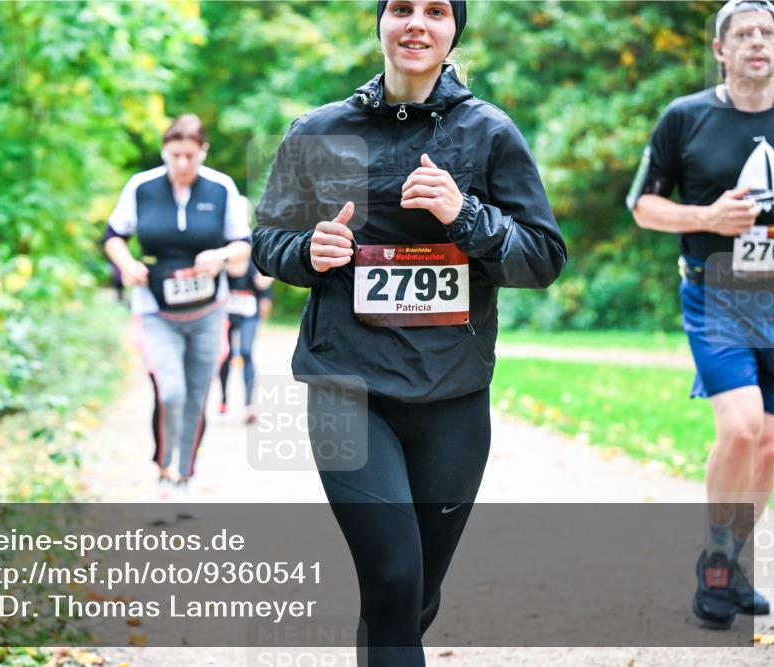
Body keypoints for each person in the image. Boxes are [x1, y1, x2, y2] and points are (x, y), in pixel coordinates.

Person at [252, 2, 565, 664]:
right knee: (393, 577)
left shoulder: (488, 133)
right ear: (381, 23)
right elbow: (268, 241)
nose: (416, 23)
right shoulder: (320, 130)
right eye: (400, 8)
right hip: (347, 387)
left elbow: (542, 257)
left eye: (435, 10)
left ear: (455, 29)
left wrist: (465, 215)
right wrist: (308, 250)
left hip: (452, 397)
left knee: (413, 595)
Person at [628, 0, 774, 630]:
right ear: (720, 50)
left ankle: (729, 562)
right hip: (718, 294)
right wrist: (708, 218)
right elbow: (643, 206)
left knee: (769, 444)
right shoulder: (686, 117)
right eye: (744, 34)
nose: (758, 43)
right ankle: (716, 561)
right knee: (742, 428)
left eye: (768, 33)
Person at [102, 114, 251, 508]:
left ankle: (184, 475)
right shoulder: (142, 187)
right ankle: (164, 470)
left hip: (208, 310)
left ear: (203, 152)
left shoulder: (221, 188)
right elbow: (113, 235)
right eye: (175, 155)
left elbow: (243, 244)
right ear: (164, 152)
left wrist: (220, 256)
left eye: (190, 155)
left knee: (196, 396)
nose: (182, 163)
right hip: (156, 309)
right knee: (171, 391)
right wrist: (127, 265)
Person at [218, 249, 274, 424]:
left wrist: (262, 322)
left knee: (246, 352)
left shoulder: (255, 262)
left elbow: (265, 294)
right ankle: (223, 401)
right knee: (225, 356)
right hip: (226, 315)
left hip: (249, 315)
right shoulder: (222, 258)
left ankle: (249, 405)